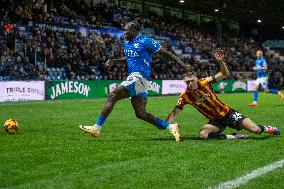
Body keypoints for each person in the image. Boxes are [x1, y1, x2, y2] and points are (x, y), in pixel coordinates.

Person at [79, 21, 189, 143]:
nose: (124, 32)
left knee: (113, 96)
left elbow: (166, 53)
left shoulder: (145, 41)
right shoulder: (127, 42)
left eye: (126, 30)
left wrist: (184, 65)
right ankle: (170, 126)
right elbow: (129, 58)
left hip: (140, 77)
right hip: (135, 78)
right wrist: (115, 61)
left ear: (134, 31)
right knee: (141, 114)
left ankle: (96, 128)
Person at [167, 49, 280, 140]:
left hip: (228, 113)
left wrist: (221, 62)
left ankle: (267, 128)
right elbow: (175, 112)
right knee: (203, 134)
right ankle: (234, 136)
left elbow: (224, 73)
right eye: (187, 82)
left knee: (255, 130)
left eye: (192, 80)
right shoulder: (185, 96)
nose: (190, 83)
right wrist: (165, 125)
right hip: (215, 120)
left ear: (196, 79)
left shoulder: (204, 82)